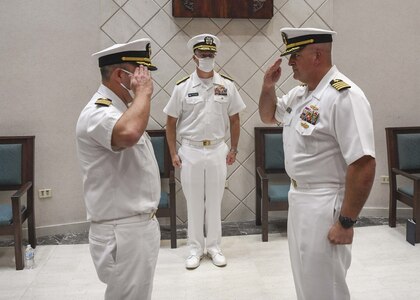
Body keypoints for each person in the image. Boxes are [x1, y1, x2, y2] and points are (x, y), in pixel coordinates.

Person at [259, 28, 376, 300]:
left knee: (327, 286)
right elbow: (267, 116)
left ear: (317, 55)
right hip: (299, 198)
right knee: (306, 280)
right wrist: (268, 87)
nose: (290, 63)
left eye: (295, 56)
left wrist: (346, 222)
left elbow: (364, 163)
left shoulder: (344, 96)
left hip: (326, 202)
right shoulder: (300, 95)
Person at [76, 39, 160, 300]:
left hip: (133, 227)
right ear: (121, 75)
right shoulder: (98, 113)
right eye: (140, 73)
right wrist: (143, 94)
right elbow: (129, 134)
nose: (145, 80)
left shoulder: (118, 109)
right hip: (122, 230)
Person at [164, 34, 246, 269]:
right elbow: (170, 122)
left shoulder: (226, 85)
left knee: (214, 200)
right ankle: (194, 249)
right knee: (193, 202)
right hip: (190, 151)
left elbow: (235, 119)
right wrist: (172, 153)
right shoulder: (182, 87)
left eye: (210, 54)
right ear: (194, 57)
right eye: (202, 54)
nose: (207, 58)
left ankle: (214, 247)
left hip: (218, 149)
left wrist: (235, 149)